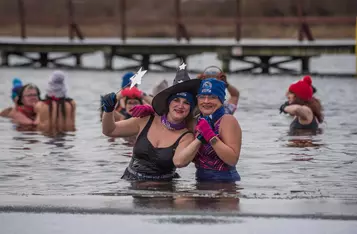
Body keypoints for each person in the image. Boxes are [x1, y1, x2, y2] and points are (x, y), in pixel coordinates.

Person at [101, 63, 201, 181]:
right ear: (168, 103)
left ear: (190, 109)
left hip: (162, 189)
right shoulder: (146, 119)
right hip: (132, 183)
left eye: (187, 103)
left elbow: (179, 162)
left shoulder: (187, 136)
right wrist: (108, 110)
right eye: (176, 100)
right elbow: (110, 130)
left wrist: (201, 138)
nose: (180, 106)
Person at [172, 78, 242, 182]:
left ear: (221, 100)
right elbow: (172, 122)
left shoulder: (227, 120)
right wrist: (152, 113)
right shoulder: (195, 121)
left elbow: (232, 160)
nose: (206, 101)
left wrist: (210, 136)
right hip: (200, 181)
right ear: (197, 99)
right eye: (202, 97)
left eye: (212, 97)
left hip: (225, 183)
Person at [34, 70, 76, 134]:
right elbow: (73, 127)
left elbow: (36, 124)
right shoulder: (71, 104)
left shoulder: (40, 105)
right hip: (66, 139)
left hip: (47, 137)